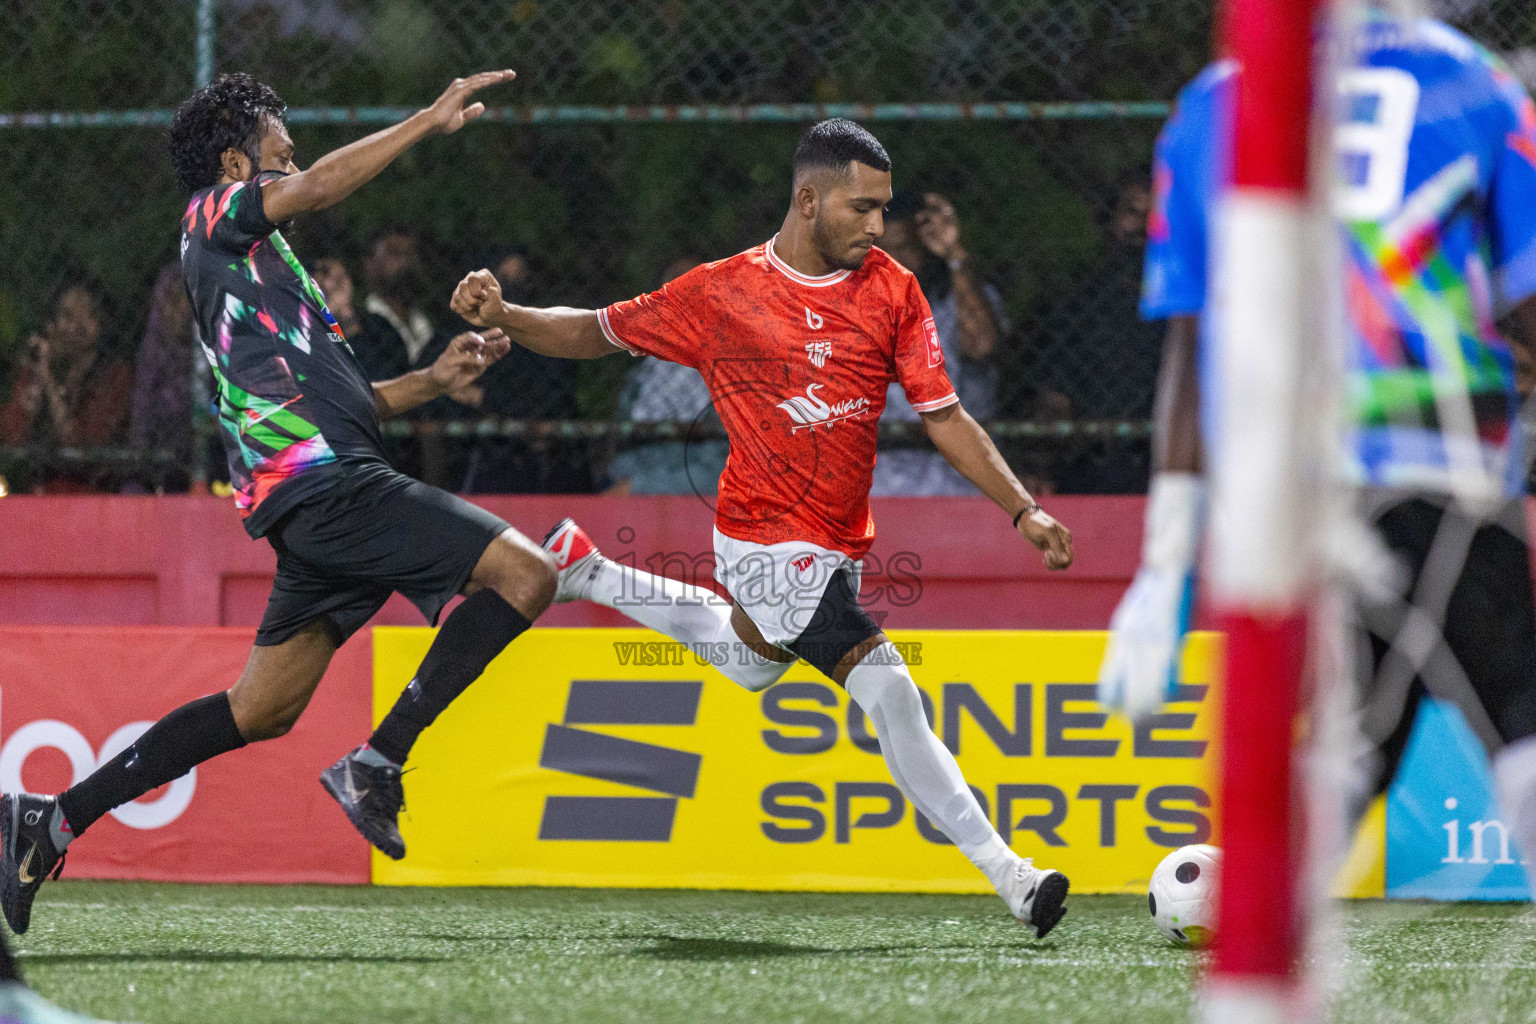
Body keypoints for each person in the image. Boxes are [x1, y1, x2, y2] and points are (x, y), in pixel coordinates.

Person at [452, 119, 1078, 937]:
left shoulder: (893, 290)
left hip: (837, 545)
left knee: (751, 667)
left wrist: (1021, 508)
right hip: (760, 542)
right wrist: (510, 312)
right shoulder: (722, 292)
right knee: (889, 687)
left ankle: (588, 572)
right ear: (808, 199)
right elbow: (594, 331)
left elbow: (945, 415)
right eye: (862, 208)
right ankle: (1014, 876)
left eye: (884, 209)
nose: (878, 227)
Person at [0, 69, 555, 936]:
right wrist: (425, 120)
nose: (289, 154)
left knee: (260, 709)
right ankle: (378, 762)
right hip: (331, 488)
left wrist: (436, 379)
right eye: (276, 144)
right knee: (528, 574)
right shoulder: (212, 214)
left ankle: (54, 818)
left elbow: (356, 405)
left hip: (319, 493)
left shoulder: (264, 266)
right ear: (234, 161)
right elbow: (323, 182)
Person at [1096, 11, 1536, 896]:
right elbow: (1526, 302)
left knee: (1354, 742)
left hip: (1283, 485)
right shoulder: (1479, 84)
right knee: (1512, 720)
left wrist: (1163, 568)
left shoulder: (1209, 105)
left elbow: (1191, 345)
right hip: (1441, 461)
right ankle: (1266, 913)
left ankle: (1260, 931)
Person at [871, 191, 1007, 496]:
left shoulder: (957, 298)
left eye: (905, 248)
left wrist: (953, 253)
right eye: (882, 251)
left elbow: (983, 344)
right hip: (881, 486)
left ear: (925, 246)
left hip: (959, 483)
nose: (894, 262)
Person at [605, 257, 729, 496]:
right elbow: (621, 456)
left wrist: (639, 487)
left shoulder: (723, 375)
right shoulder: (642, 376)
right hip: (634, 487)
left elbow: (718, 471)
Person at [0, 276, 133, 491]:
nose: (74, 326)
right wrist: (35, 378)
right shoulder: (40, 364)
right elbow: (10, 438)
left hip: (91, 497)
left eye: (87, 315)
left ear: (102, 323)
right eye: (67, 315)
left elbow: (79, 448)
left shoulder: (115, 375)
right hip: (36, 493)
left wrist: (48, 380)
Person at [127, 262, 203, 491]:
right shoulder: (150, 356)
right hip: (150, 470)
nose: (178, 308)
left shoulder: (211, 358)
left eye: (185, 297)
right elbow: (140, 422)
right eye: (171, 298)